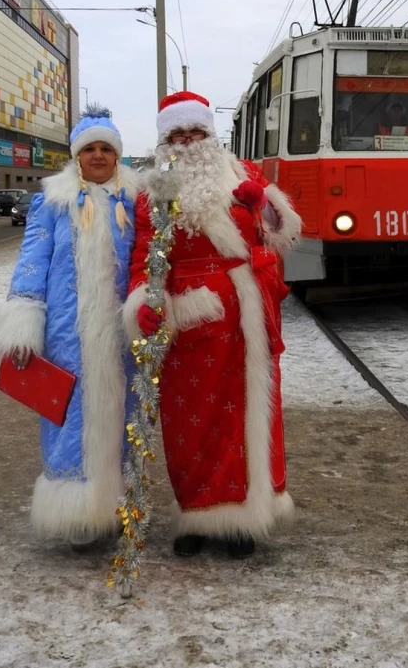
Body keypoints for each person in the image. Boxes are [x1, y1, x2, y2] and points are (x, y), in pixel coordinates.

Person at [123, 91, 301, 559]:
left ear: (209, 135)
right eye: (176, 135)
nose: (186, 143)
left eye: (194, 133)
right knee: (189, 421)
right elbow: (144, 256)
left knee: (243, 414)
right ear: (165, 141)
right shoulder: (151, 192)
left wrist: (260, 202)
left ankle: (241, 518)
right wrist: (143, 299)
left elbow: (280, 231)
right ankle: (196, 514)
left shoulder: (243, 174)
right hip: (188, 314)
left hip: (246, 316)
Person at [0, 107, 142, 548]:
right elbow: (32, 263)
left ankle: (115, 510)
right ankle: (76, 513)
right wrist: (23, 321)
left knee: (121, 417)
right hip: (66, 334)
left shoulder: (133, 203)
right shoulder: (51, 203)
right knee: (70, 418)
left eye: (105, 149)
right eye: (89, 148)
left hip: (118, 335)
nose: (97, 156)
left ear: (117, 156)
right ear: (76, 156)